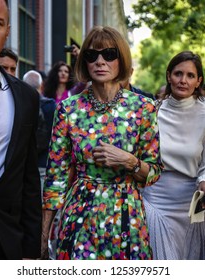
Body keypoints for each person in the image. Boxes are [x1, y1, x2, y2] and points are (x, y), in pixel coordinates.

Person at [41, 25, 162, 260]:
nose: (100, 61)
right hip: (80, 215)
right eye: (91, 55)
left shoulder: (143, 108)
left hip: (127, 215)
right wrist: (43, 236)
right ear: (84, 61)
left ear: (122, 60)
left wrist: (129, 161)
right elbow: (56, 178)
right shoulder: (68, 109)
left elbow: (154, 173)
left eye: (109, 54)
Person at [0, 0, 42, 259]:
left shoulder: (25, 97)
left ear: (7, 30)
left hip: (4, 241)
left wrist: (30, 249)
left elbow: (28, 176)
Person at [142, 51, 205, 260]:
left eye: (190, 75)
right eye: (178, 74)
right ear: (169, 76)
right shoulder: (152, 112)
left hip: (192, 204)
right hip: (155, 198)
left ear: (198, 81)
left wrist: (204, 179)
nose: (183, 80)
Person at [22, 70, 55, 191]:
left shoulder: (18, 103)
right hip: (43, 160)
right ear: (41, 86)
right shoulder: (50, 105)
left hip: (22, 161)